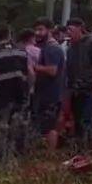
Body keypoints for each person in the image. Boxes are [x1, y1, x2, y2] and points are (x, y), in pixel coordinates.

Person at [0, 24, 30, 159]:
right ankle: (18, 157)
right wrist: (28, 89)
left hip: (1, 96)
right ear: (9, 35)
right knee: (19, 125)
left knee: (1, 128)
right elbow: (31, 73)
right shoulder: (21, 51)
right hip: (20, 94)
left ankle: (0, 160)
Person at [64, 18, 92, 151]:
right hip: (75, 89)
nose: (69, 32)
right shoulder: (70, 48)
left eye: (71, 29)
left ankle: (90, 147)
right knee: (77, 120)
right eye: (67, 30)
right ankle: (79, 149)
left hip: (90, 87)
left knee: (87, 119)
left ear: (80, 29)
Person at [32, 19, 66, 150]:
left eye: (41, 29)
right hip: (45, 94)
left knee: (49, 127)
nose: (37, 33)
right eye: (36, 30)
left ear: (50, 30)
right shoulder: (46, 47)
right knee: (45, 126)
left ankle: (50, 155)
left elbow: (52, 70)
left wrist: (34, 67)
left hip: (51, 95)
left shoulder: (52, 48)